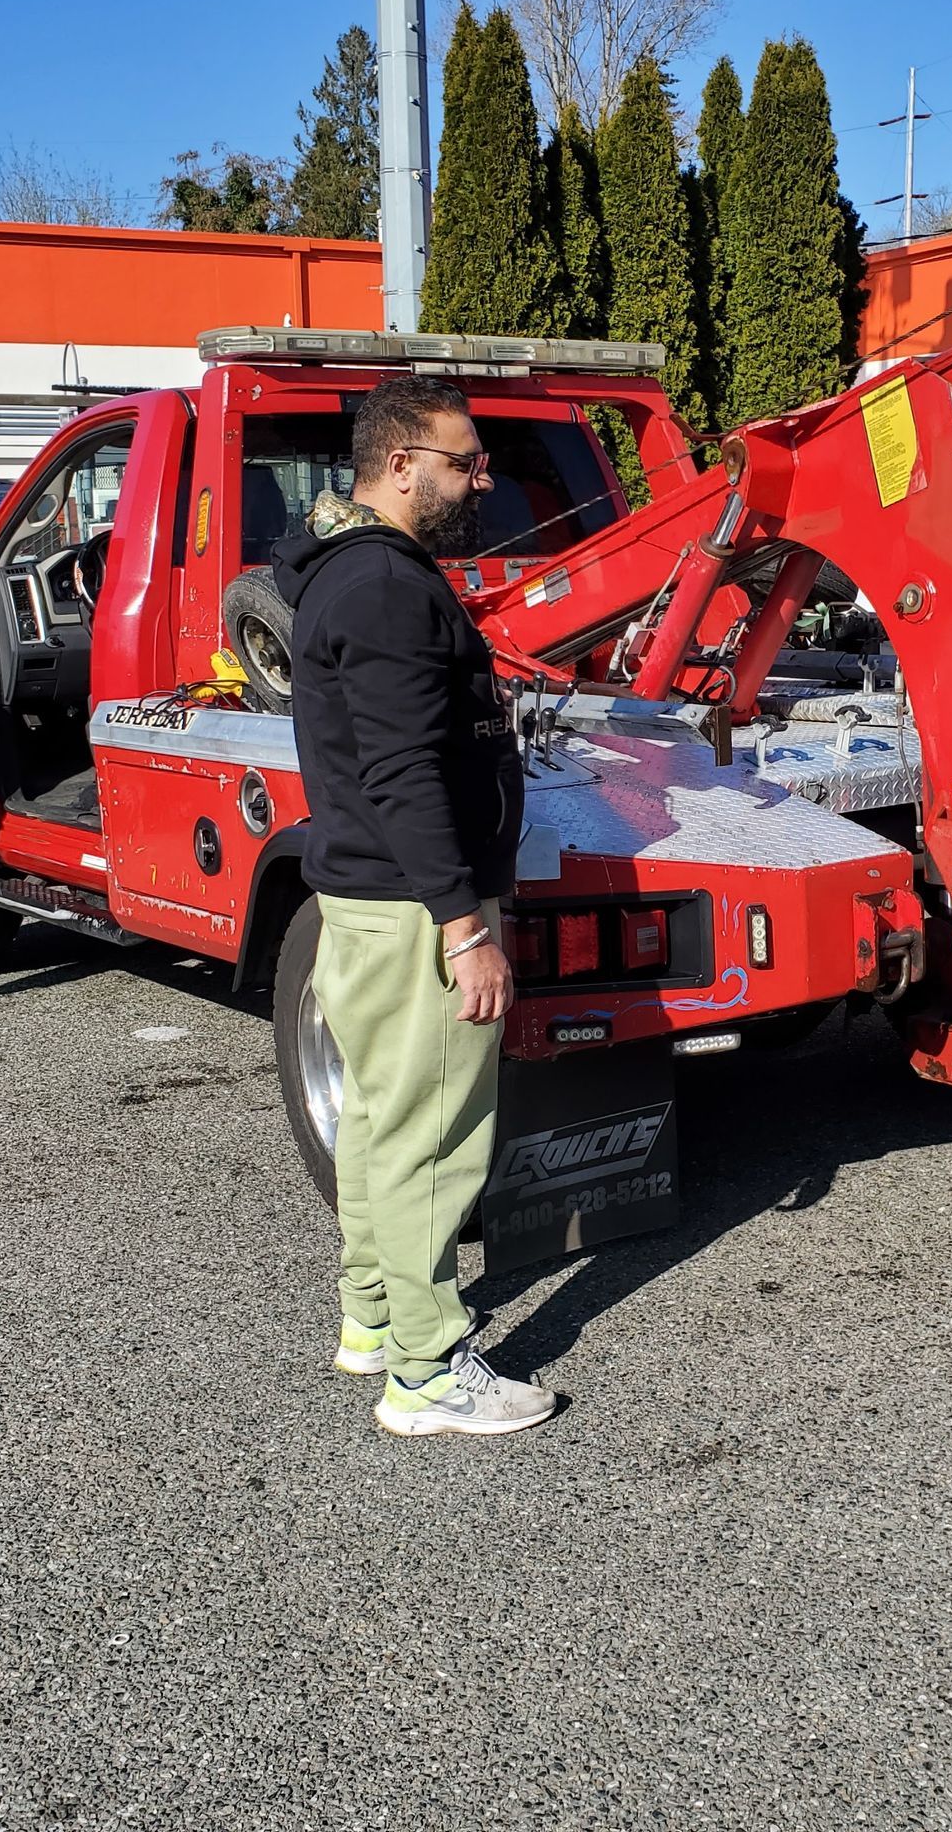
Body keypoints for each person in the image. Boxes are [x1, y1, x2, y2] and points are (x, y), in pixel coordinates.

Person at [273, 375, 557, 1438]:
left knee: (381, 1124)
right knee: (435, 1137)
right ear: (400, 465)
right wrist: (465, 924)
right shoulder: (387, 589)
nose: (479, 476)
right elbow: (401, 772)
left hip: (364, 898)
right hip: (410, 911)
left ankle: (373, 1319)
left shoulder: (347, 573)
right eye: (463, 460)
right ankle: (429, 1373)